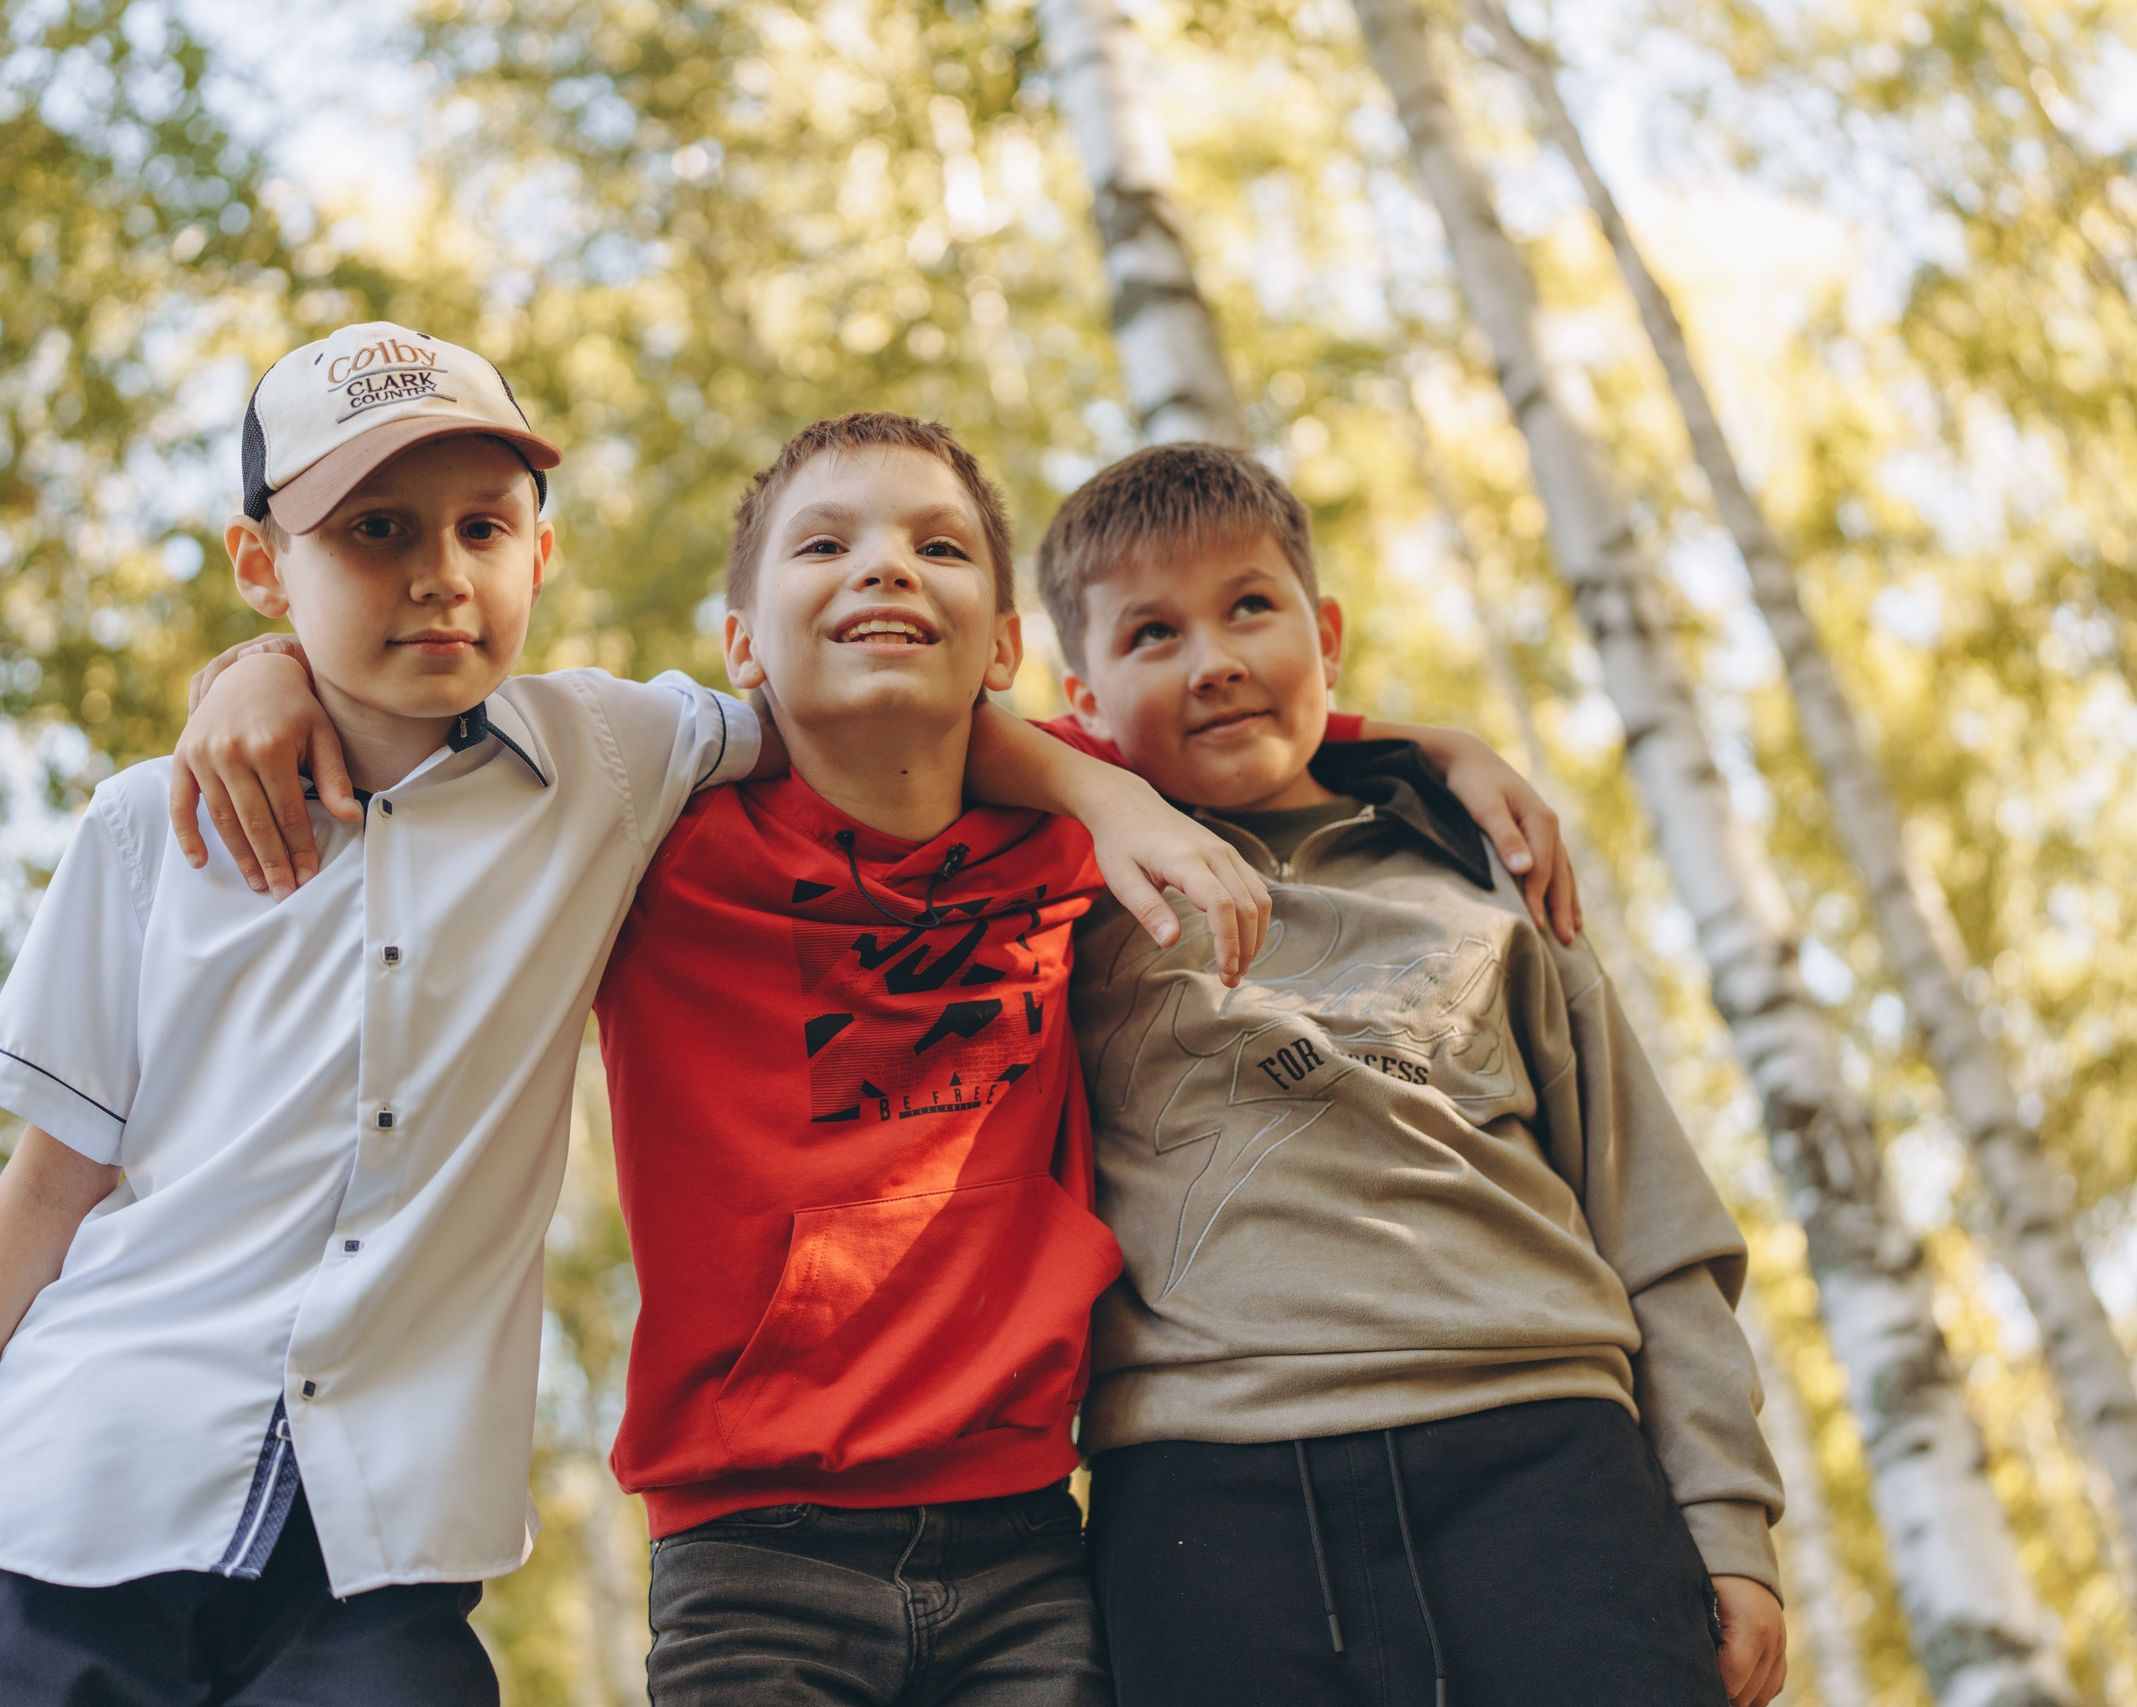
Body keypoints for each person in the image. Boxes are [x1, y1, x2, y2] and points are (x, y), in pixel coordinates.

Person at [0, 330, 1247, 1707]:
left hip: (380, 1561)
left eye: (481, 528)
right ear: (261, 566)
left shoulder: (608, 762)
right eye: (375, 530)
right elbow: (41, 1196)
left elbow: (882, 696)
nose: (438, 573)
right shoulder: (143, 828)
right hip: (66, 1504)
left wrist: (1111, 788)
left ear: (539, 553)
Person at [169, 414, 1574, 1705]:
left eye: (937, 545)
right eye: (828, 544)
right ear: (741, 642)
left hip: (1031, 1532)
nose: (885, 569)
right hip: (748, 1550)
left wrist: (1418, 745)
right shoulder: (650, 839)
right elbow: (427, 709)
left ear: (1008, 647)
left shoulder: (1086, 834)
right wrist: (263, 659)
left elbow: (1208, 709)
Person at [1035, 442, 1790, 1707]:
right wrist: (1085, 788)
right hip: (1209, 1500)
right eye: (1150, 634)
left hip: (1546, 1460)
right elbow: (901, 726)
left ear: (1324, 631)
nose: (1213, 658)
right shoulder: (1064, 889)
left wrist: (1727, 1512)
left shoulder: (1483, 876)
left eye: (1250, 608)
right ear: (1084, 698)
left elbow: (1651, 1213)